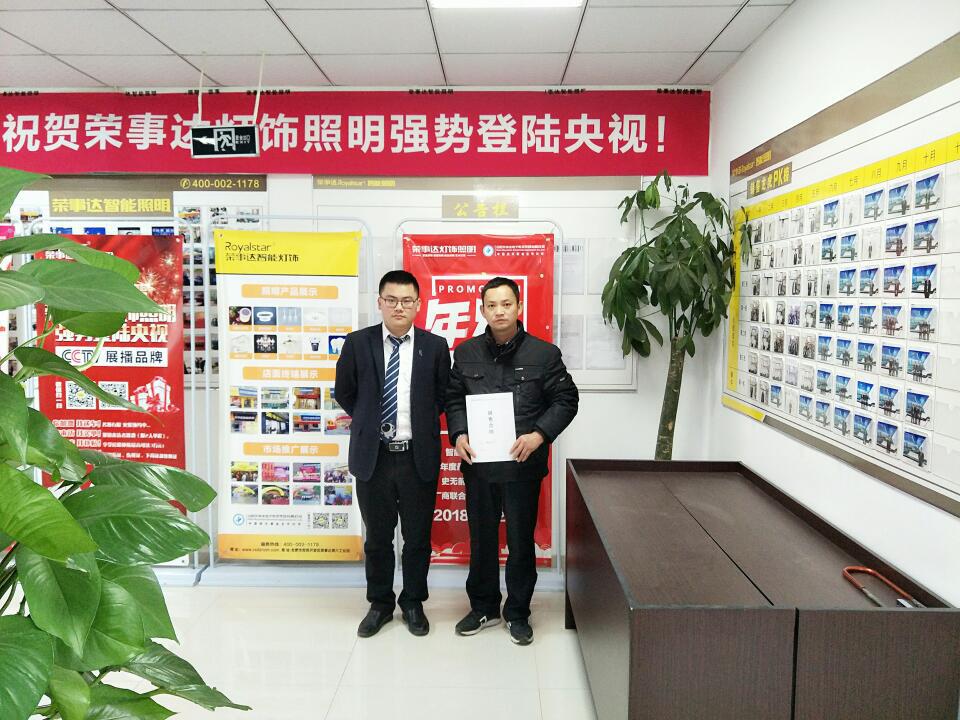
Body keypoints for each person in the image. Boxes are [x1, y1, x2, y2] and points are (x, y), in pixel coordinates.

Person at [446, 276, 579, 646]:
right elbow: (453, 398)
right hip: (479, 465)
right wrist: (458, 434)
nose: (499, 311)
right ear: (482, 310)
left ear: (519, 307)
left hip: (522, 465)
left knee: (520, 541)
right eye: (492, 305)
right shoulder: (466, 352)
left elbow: (566, 399)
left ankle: (518, 612)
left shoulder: (544, 354)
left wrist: (539, 435)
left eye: (506, 304)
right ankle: (483, 606)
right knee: (482, 539)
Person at [335, 270, 450, 638]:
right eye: (392, 300)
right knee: (378, 538)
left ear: (418, 305)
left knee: (417, 538)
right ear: (380, 302)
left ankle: (413, 602)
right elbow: (345, 392)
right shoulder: (358, 343)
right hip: (375, 456)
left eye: (406, 300)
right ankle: (380, 603)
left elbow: (442, 397)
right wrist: (370, 422)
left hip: (417, 456)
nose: (399, 307)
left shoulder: (435, 346)